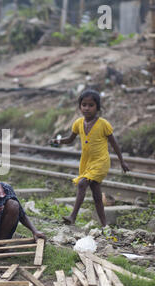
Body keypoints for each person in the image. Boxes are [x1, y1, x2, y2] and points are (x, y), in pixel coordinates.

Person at [50, 89, 130, 227]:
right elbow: (70, 139)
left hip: (101, 162)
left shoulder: (103, 124)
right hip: (87, 162)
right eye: (84, 104)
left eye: (91, 105)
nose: (87, 108)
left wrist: (122, 161)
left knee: (82, 183)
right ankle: (105, 225)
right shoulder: (78, 123)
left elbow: (114, 143)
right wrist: (58, 141)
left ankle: (72, 217)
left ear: (97, 107)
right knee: (97, 195)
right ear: (80, 106)